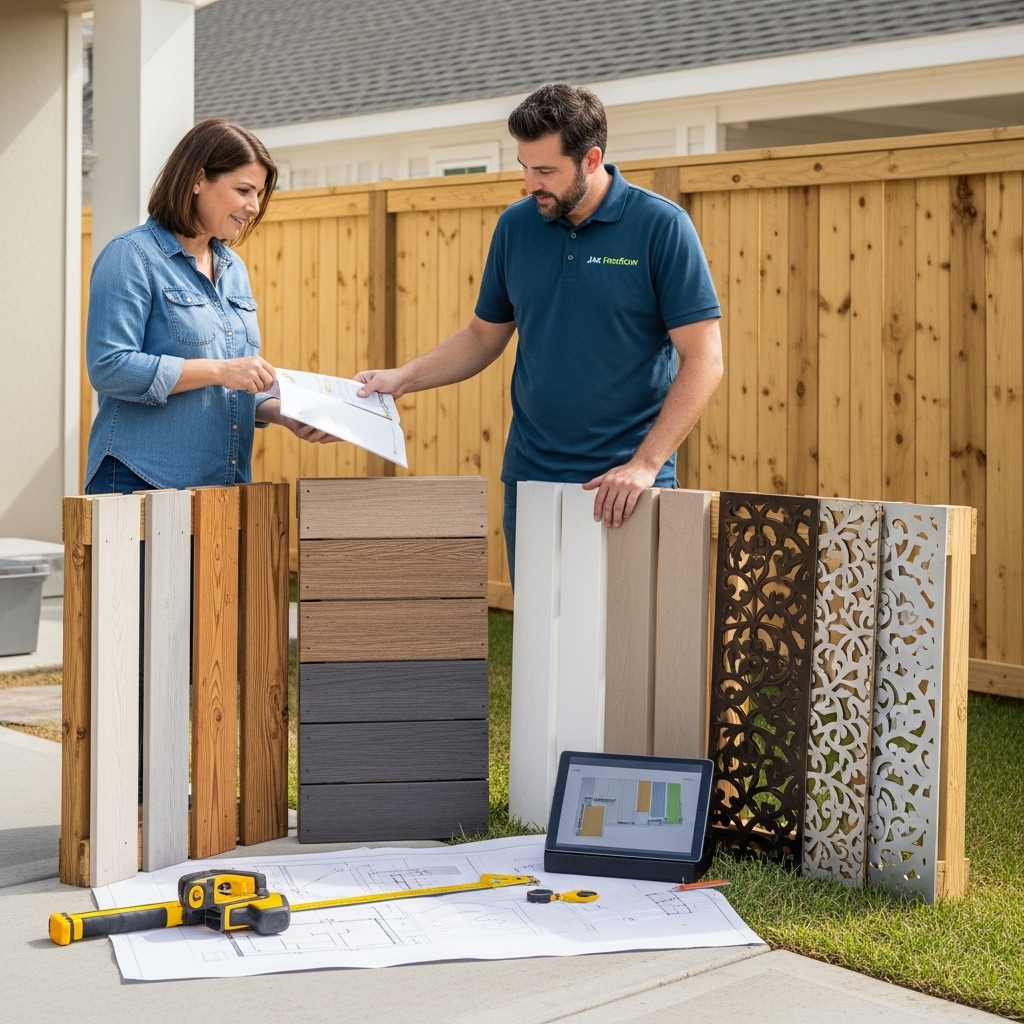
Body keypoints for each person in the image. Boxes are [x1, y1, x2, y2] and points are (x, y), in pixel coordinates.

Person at [356, 83, 724, 585]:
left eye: (546, 170)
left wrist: (645, 464)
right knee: (539, 644)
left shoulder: (660, 226)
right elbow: (483, 336)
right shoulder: (516, 227)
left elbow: (704, 358)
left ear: (592, 159)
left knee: (623, 650)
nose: (531, 183)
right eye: (524, 166)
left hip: (626, 484)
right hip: (530, 477)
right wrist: (403, 378)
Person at [84, 117, 333, 498]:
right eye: (244, 190)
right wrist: (219, 369)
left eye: (258, 193)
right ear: (198, 180)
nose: (254, 206)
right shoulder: (131, 256)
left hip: (221, 487)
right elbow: (109, 367)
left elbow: (230, 385)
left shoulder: (234, 270)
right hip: (139, 483)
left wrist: (281, 412)